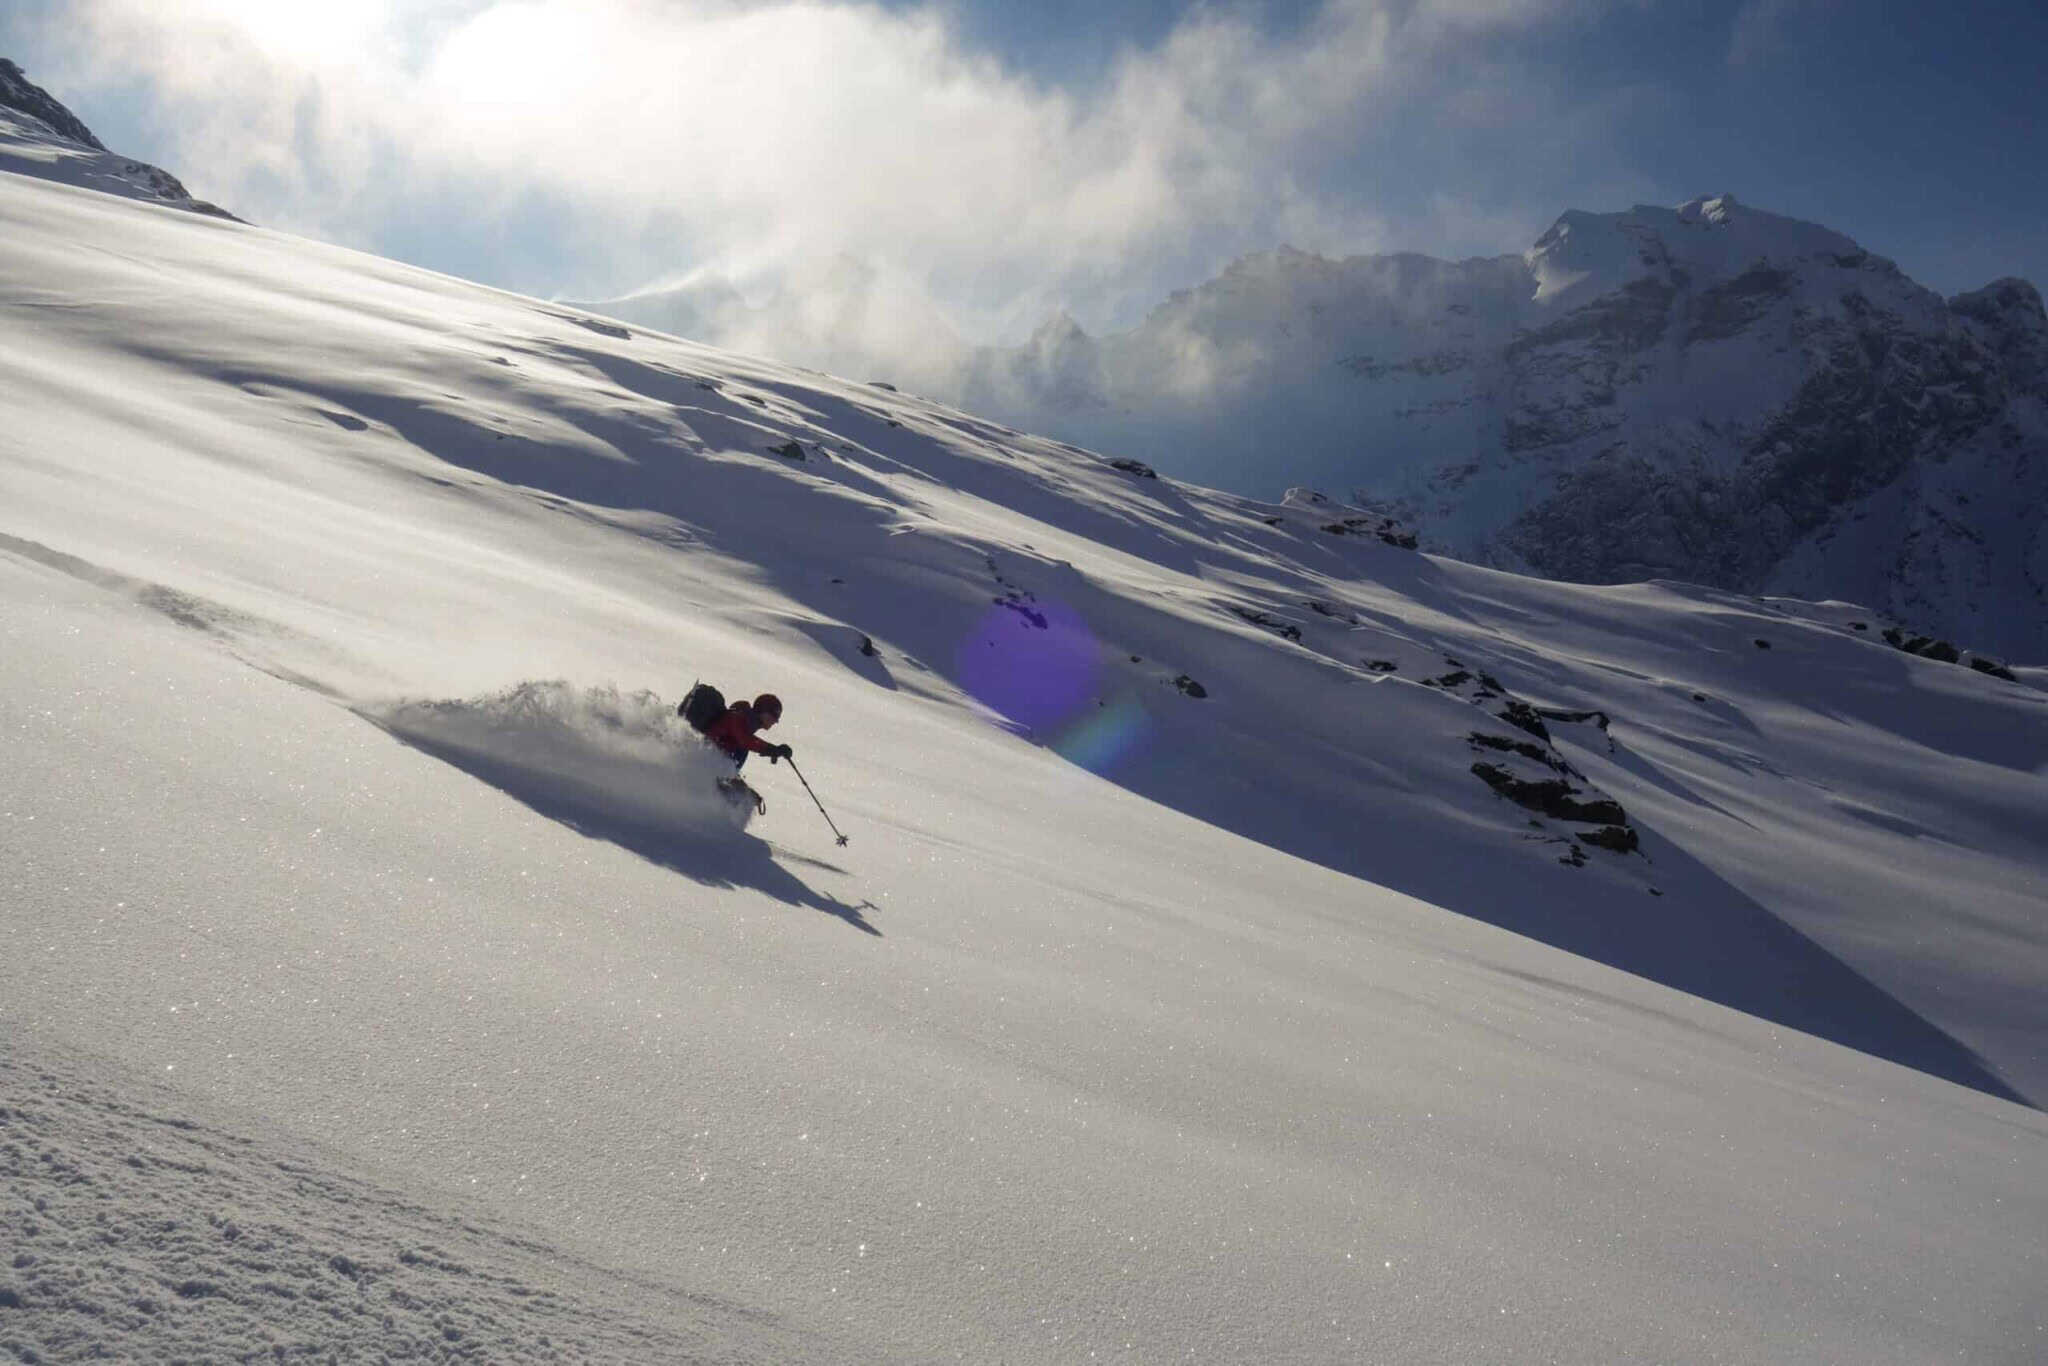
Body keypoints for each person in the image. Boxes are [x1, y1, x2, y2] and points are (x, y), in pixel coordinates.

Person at [704, 692, 792, 771]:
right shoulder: (737, 716)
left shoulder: (747, 721)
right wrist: (771, 749)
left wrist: (772, 750)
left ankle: (728, 774)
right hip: (706, 751)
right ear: (762, 711)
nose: (774, 721)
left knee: (742, 749)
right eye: (772, 716)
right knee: (742, 748)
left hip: (714, 753)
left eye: (776, 718)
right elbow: (745, 740)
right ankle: (726, 775)